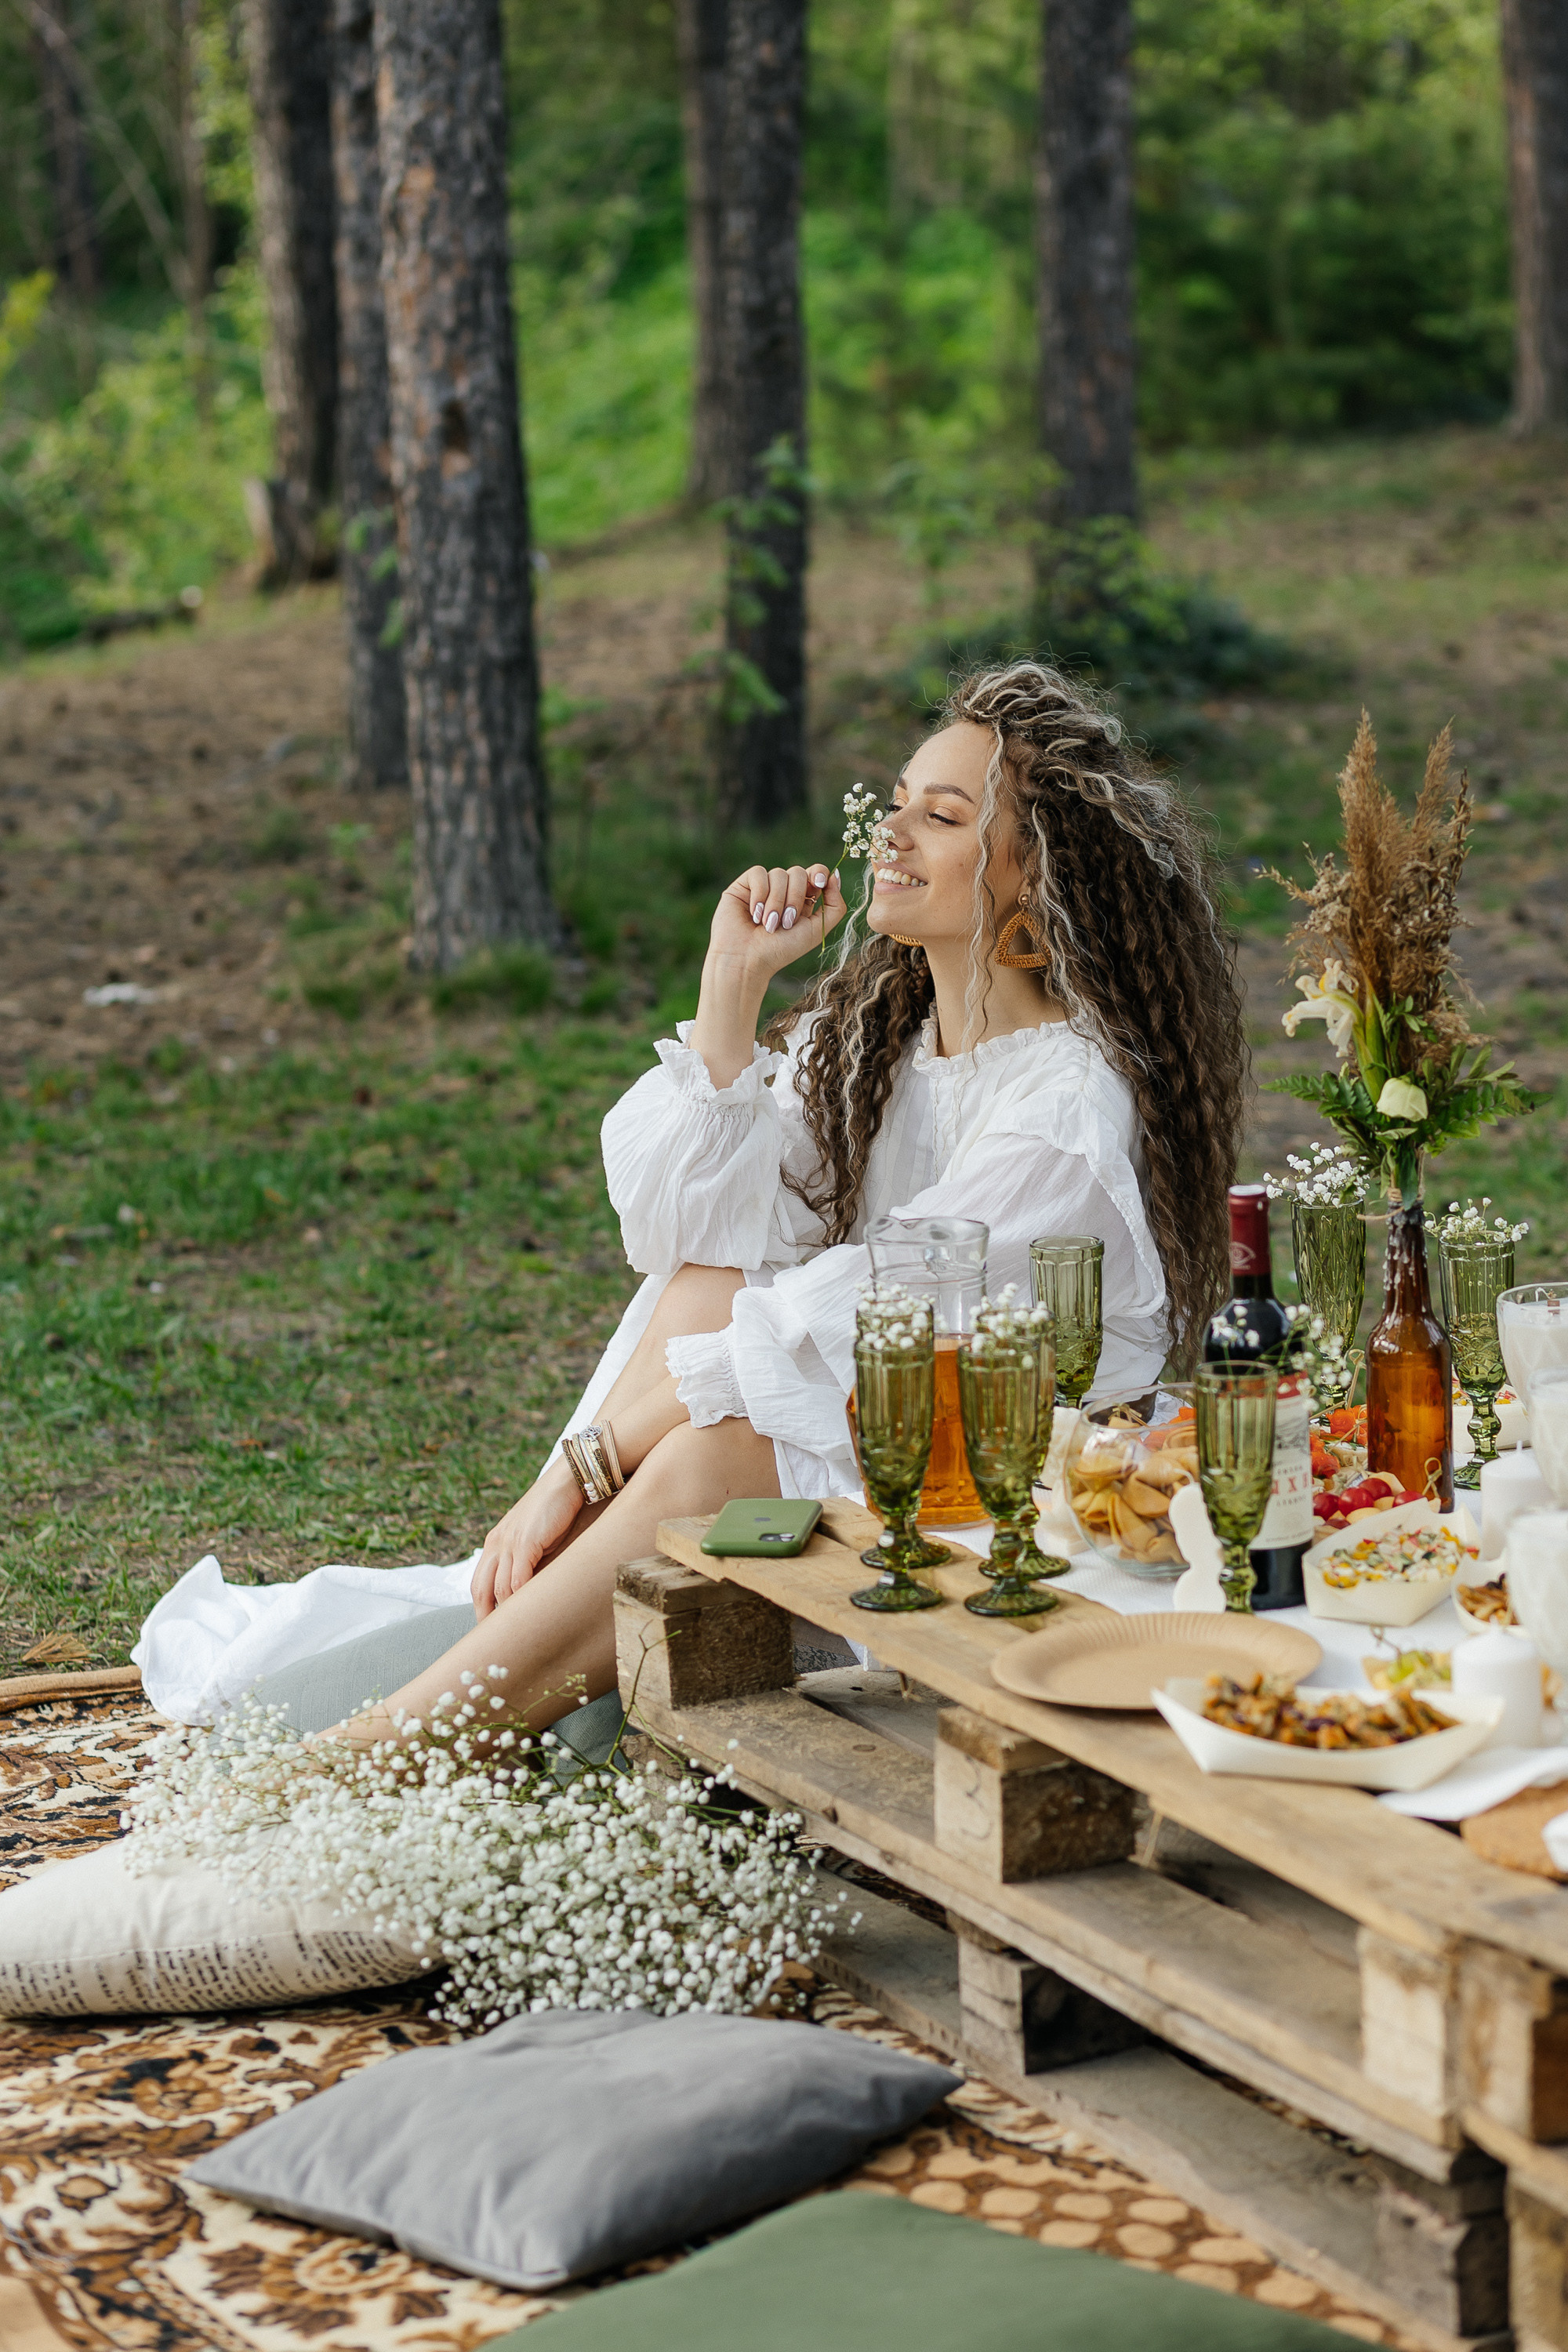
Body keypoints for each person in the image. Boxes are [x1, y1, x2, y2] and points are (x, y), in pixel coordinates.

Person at [135, 661, 1247, 1741]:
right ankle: (531, 1618)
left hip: (981, 1491)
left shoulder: (1062, 1107)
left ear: (1036, 881)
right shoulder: (884, 1046)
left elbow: (867, 1320)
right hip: (858, 1436)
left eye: (944, 817)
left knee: (712, 1444)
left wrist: (589, 1461)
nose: (892, 833)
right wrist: (734, 983)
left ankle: (398, 1739)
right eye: (896, 802)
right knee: (717, 1273)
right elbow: (686, 1240)